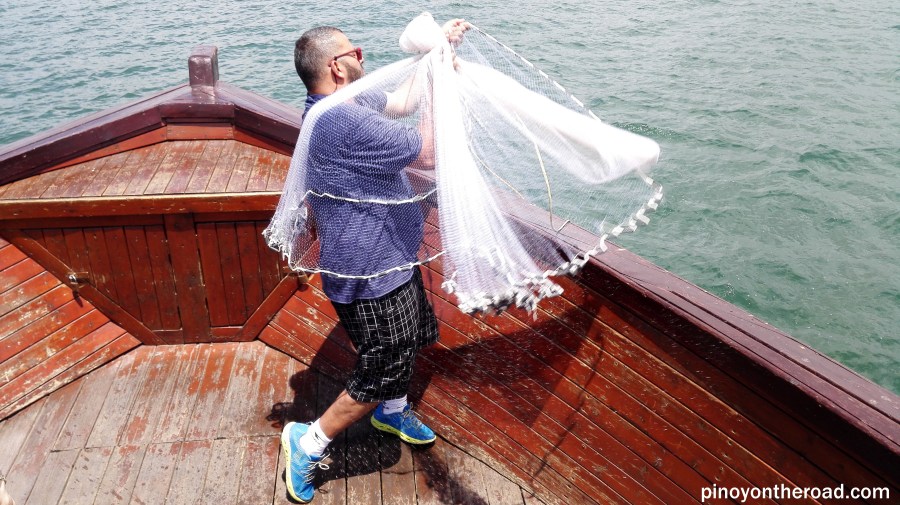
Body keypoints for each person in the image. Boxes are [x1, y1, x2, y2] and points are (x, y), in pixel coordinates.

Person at [280, 19, 470, 503]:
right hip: (367, 271)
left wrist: (435, 54)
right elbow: (427, 154)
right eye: (356, 52)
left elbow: (401, 100)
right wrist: (444, 88)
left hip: (390, 254)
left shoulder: (341, 102)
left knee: (408, 339)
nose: (364, 59)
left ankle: (393, 410)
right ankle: (308, 441)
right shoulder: (340, 120)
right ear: (336, 66)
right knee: (380, 367)